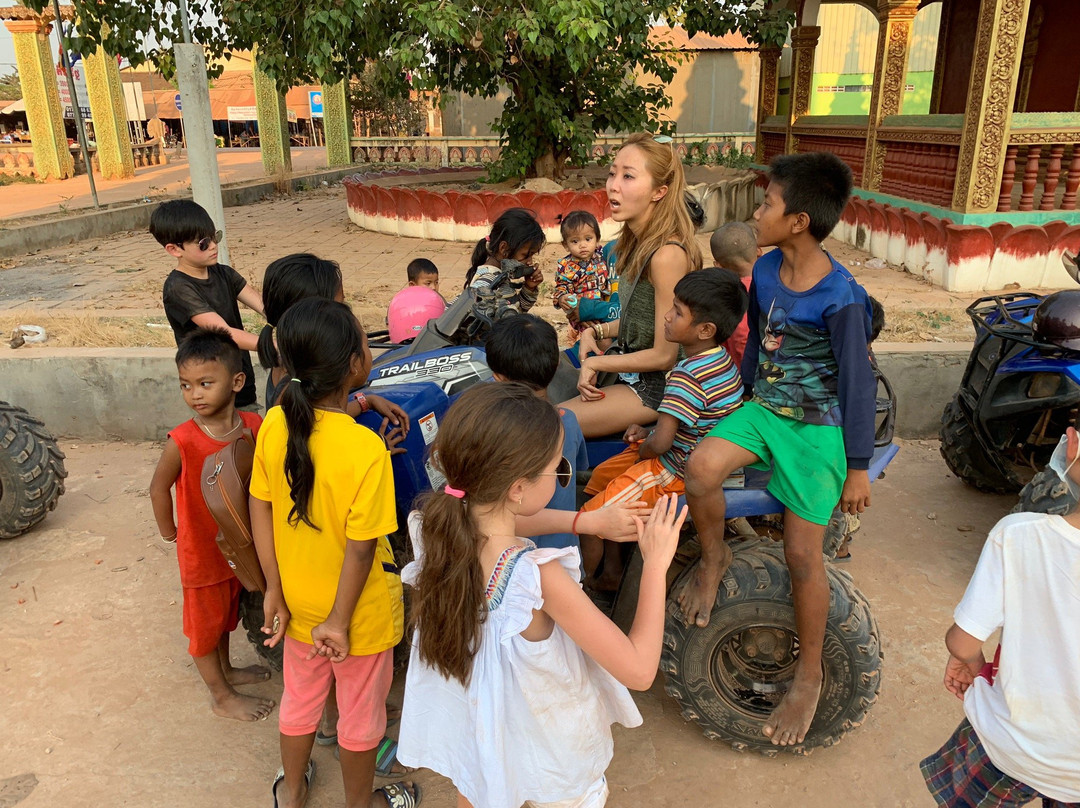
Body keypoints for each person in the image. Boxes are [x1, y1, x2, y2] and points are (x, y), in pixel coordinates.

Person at [397, 382, 688, 808]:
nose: (561, 474)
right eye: (558, 468)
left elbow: (495, 519)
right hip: (543, 752)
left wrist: (586, 523)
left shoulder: (435, 527)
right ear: (517, 488)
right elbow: (640, 671)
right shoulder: (538, 578)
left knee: (480, 791)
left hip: (483, 738)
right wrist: (657, 565)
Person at [681, 152, 876, 748]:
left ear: (798, 221)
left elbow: (857, 380)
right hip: (764, 410)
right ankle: (714, 560)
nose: (757, 211)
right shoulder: (764, 270)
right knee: (701, 467)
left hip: (817, 428)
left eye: (767, 203)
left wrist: (858, 468)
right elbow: (759, 347)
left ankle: (810, 674)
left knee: (801, 557)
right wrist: (737, 404)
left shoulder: (841, 296)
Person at [250, 298, 419, 808]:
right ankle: (359, 804)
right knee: (361, 715)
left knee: (299, 701)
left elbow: (259, 508)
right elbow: (361, 549)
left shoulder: (277, 424)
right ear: (354, 365)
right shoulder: (365, 449)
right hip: (356, 618)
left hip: (298, 605)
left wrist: (274, 589)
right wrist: (341, 622)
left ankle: (294, 791)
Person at [920, 428, 1080, 808]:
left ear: (1072, 444)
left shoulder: (1018, 535)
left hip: (1012, 746)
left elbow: (963, 641)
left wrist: (973, 664)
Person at [579, 268, 747, 589]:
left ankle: (581, 586)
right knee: (603, 478)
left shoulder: (687, 374)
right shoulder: (721, 361)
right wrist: (649, 431)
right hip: (690, 455)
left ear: (704, 330)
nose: (666, 317)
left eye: (678, 313)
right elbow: (689, 422)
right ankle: (614, 572)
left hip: (672, 471)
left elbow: (662, 444)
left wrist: (646, 446)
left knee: (588, 518)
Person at [148, 327, 274, 722]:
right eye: (186, 385)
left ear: (237, 382)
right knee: (204, 628)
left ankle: (229, 672)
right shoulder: (182, 440)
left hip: (242, 547)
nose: (195, 394)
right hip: (201, 552)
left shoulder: (254, 426)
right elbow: (157, 488)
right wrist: (170, 531)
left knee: (225, 617)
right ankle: (221, 695)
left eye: (205, 383)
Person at [560, 133, 703, 438]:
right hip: (630, 367)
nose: (613, 185)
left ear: (658, 191)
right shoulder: (632, 242)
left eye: (628, 176)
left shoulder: (667, 255)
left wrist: (599, 361)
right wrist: (593, 331)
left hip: (657, 385)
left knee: (549, 426)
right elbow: (642, 319)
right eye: (613, 173)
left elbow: (665, 355)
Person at [484, 314, 646, 557]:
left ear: (498, 377)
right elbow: (575, 470)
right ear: (555, 367)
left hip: (513, 556)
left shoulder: (494, 429)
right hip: (565, 552)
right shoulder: (568, 421)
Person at [258, 252, 409, 443]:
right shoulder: (292, 388)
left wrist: (364, 403)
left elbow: (318, 415)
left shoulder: (296, 365)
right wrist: (377, 450)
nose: (347, 313)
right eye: (341, 304)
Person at [152, 199, 264, 411]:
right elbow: (224, 333)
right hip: (210, 391)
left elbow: (264, 306)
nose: (213, 246)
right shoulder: (178, 288)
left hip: (240, 380)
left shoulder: (224, 273)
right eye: (203, 243)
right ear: (174, 249)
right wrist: (273, 346)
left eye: (214, 237)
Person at [463, 207, 545, 321]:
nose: (530, 261)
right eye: (525, 255)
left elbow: (516, 312)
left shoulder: (499, 276)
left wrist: (529, 288)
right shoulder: (486, 283)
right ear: (504, 249)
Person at [552, 210, 613, 341]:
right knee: (597, 341)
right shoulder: (567, 266)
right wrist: (562, 298)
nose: (583, 245)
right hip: (581, 313)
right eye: (575, 241)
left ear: (597, 239)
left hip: (602, 308)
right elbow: (561, 286)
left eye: (588, 239)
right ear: (565, 245)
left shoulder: (601, 255)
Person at [710, 221, 759, 369]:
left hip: (738, 378)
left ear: (718, 265)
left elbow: (741, 340)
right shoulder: (778, 283)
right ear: (759, 251)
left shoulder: (726, 297)